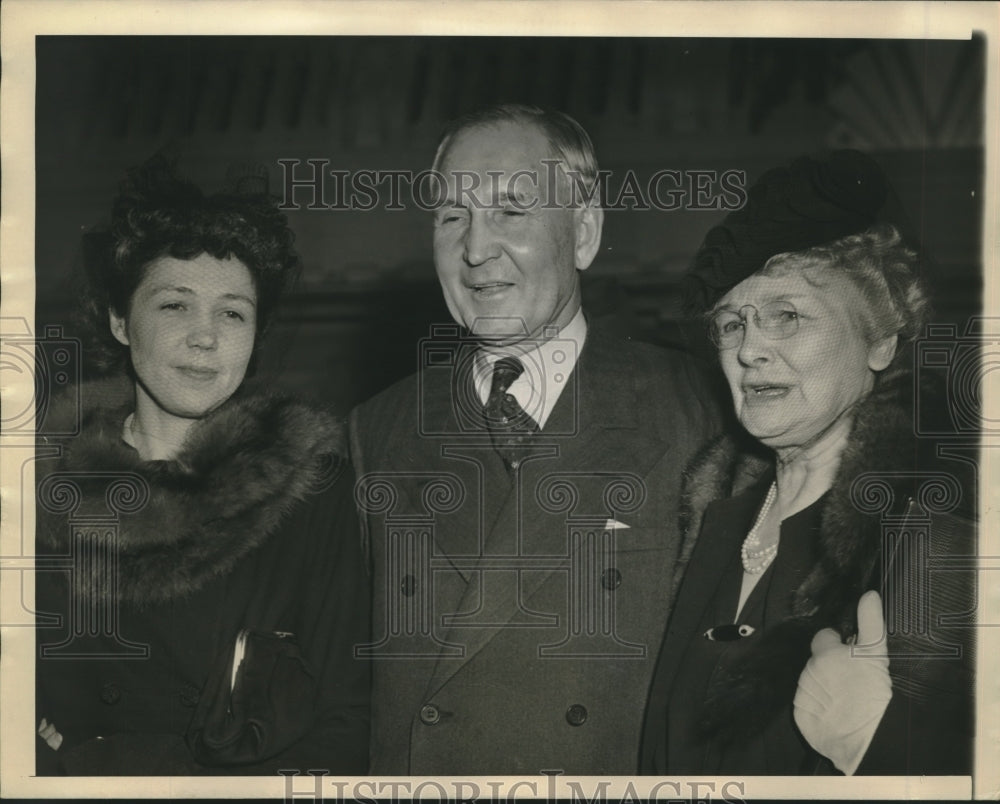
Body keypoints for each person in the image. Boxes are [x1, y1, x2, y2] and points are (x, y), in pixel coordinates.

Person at [349, 104, 722, 774]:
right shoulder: (374, 430)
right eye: (451, 216)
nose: (474, 248)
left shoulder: (699, 409)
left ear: (583, 233)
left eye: (511, 211)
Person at [640, 150, 975, 776]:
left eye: (786, 317)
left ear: (880, 342)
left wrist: (881, 746)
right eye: (732, 325)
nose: (750, 351)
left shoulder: (936, 547)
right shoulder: (711, 520)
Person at [34, 157, 370, 775]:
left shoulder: (316, 494)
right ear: (119, 321)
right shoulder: (40, 493)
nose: (206, 338)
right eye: (174, 306)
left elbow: (346, 724)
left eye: (234, 313)